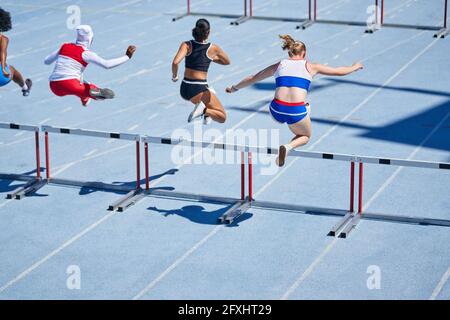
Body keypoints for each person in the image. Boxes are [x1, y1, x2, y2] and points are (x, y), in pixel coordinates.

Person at [226, 35, 363, 167]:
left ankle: (302, 113)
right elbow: (339, 71)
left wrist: (234, 88)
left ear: (289, 52)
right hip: (295, 112)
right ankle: (288, 146)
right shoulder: (311, 66)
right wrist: (354, 66)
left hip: (276, 110)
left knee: (302, 105)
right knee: (305, 136)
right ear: (304, 53)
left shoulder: (279, 65)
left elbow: (253, 78)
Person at [44, 25, 136, 106]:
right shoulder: (86, 53)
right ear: (90, 39)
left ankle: (85, 97)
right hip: (71, 84)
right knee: (91, 88)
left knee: (79, 80)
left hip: (54, 86)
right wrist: (127, 56)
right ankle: (89, 94)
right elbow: (107, 65)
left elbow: (47, 61)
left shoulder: (65, 46)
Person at [172, 18, 230, 124]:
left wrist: (175, 76)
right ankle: (203, 111)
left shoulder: (186, 44)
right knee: (222, 117)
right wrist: (210, 57)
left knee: (210, 90)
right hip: (198, 89)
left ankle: (207, 114)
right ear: (208, 32)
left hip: (184, 88)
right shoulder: (213, 48)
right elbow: (227, 61)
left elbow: (175, 63)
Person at [0, 8, 32, 96]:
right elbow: (3, 53)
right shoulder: (3, 39)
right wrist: (3, 68)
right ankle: (25, 88)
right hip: (1, 77)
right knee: (12, 70)